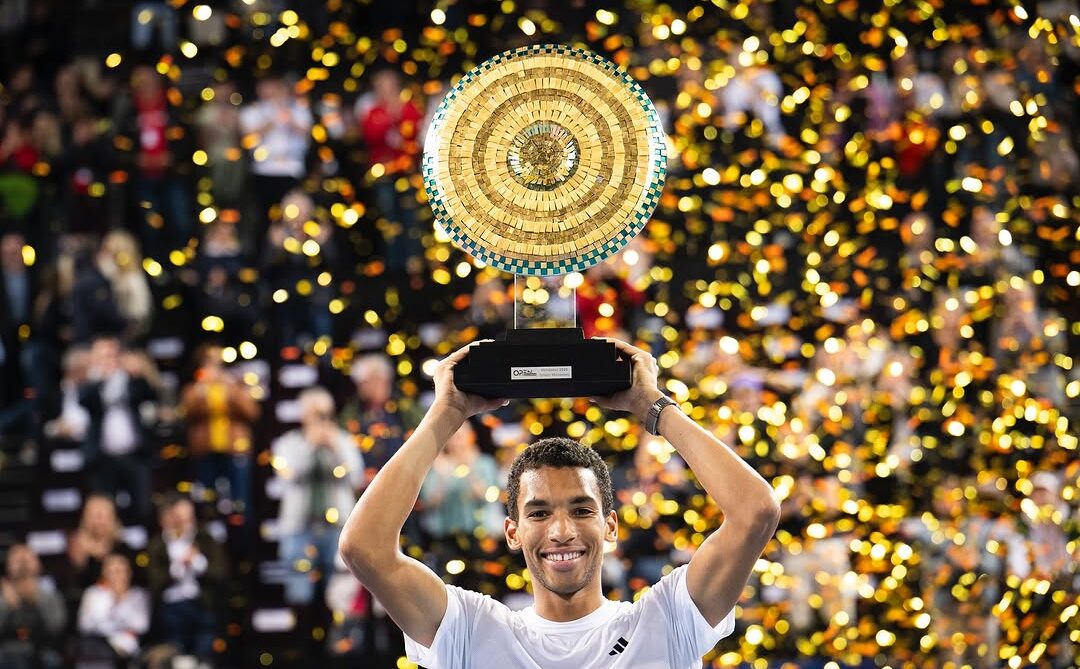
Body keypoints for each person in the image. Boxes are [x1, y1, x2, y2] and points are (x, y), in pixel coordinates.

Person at [339, 338, 781, 668]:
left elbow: (755, 511)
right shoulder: (470, 630)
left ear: (610, 525)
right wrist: (445, 414)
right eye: (539, 512)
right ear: (512, 531)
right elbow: (364, 549)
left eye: (581, 509)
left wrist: (653, 406)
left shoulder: (667, 620)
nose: (562, 530)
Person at [272, 387, 364, 605]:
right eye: (314, 414)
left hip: (337, 527)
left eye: (324, 414)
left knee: (340, 596)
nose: (320, 420)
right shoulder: (288, 443)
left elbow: (356, 478)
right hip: (299, 527)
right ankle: (301, 637)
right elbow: (286, 477)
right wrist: (309, 446)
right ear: (303, 415)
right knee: (299, 594)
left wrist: (336, 449)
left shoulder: (342, 440)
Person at [146, 494, 226, 667]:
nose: (181, 522)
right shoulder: (157, 545)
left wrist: (197, 561)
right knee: (176, 653)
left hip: (202, 603)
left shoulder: (205, 539)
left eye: (187, 518)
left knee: (204, 650)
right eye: (177, 517)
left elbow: (219, 572)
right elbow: (154, 580)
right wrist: (177, 566)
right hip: (171, 607)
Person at [0, 544, 66, 669]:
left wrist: (37, 601)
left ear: (38, 565)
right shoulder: (2, 597)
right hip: (7, 649)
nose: (23, 566)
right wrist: (7, 605)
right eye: (18, 561)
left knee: (51, 659)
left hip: (42, 647)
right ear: (8, 567)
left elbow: (56, 628)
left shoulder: (49, 594)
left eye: (27, 560)